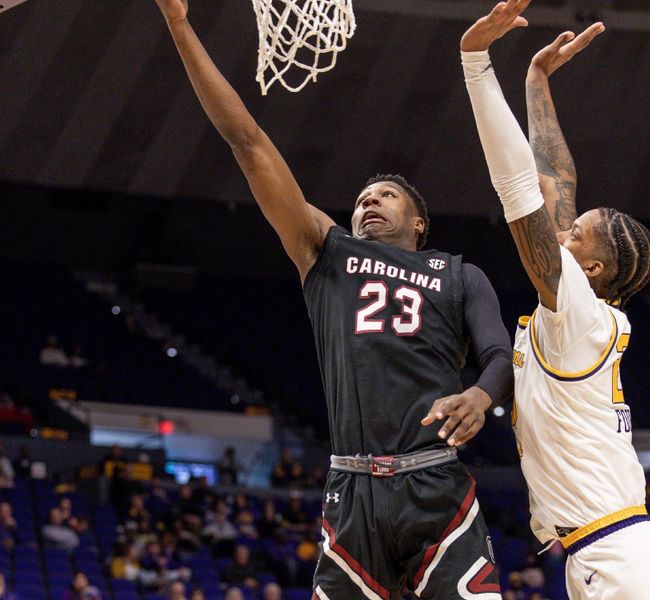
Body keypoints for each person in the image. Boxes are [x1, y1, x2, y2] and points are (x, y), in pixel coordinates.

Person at [151, 0, 514, 598]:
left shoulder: (459, 274)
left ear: (419, 223)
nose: (369, 200)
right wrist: (180, 26)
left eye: (387, 195)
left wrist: (478, 393)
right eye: (363, 196)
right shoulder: (327, 251)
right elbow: (249, 142)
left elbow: (502, 356)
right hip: (353, 492)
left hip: (436, 483)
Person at [461, 1, 650, 598]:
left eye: (574, 233)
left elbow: (521, 189)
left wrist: (475, 64)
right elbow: (556, 182)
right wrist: (536, 82)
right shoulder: (584, 311)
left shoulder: (578, 316)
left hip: (621, 556)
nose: (561, 230)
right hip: (610, 550)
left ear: (589, 267)